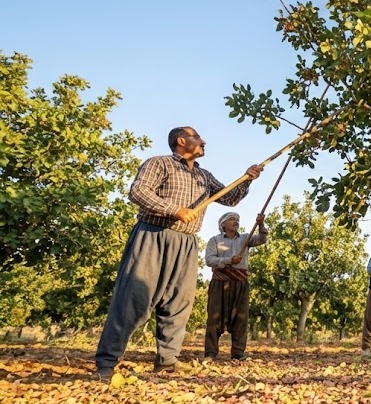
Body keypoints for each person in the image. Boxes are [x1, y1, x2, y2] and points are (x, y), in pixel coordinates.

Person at [94, 127, 263, 379]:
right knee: (134, 298)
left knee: (178, 302)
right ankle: (106, 363)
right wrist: (174, 210)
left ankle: (167, 361)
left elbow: (230, 198)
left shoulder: (204, 177)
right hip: (153, 235)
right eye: (197, 138)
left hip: (186, 243)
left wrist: (247, 178)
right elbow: (138, 192)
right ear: (181, 141)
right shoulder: (160, 163)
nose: (204, 141)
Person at [203, 212, 268, 361]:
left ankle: (238, 352)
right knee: (214, 317)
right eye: (232, 219)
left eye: (238, 219)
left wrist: (260, 224)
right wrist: (228, 260)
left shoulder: (246, 238)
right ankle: (210, 353)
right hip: (220, 282)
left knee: (241, 317)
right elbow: (209, 260)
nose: (236, 221)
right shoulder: (215, 240)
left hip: (240, 283)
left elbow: (261, 239)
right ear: (223, 224)